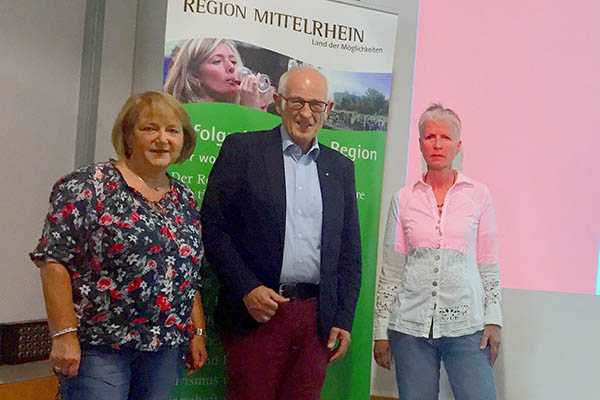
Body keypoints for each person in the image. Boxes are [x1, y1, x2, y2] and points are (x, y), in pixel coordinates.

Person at [30, 91, 207, 400]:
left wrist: (197, 332)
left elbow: (187, 273)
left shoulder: (184, 198)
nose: (162, 139)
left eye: (172, 130)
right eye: (150, 128)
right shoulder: (89, 185)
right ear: (127, 135)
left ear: (183, 140)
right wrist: (64, 335)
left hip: (164, 349)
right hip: (101, 348)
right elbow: (53, 261)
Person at [200, 65, 362, 400]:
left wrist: (343, 318)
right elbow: (213, 229)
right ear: (277, 101)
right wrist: (247, 288)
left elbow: (349, 251)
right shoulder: (243, 151)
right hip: (257, 312)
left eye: (316, 105)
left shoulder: (340, 168)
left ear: (328, 110)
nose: (306, 114)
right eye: (297, 102)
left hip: (315, 319)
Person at [373, 104, 502, 400]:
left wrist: (494, 318)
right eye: (430, 136)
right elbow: (392, 270)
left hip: (467, 325)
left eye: (445, 137)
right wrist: (381, 331)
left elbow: (488, 262)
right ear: (420, 144)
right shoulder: (403, 199)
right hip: (410, 328)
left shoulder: (478, 195)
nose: (437, 143)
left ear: (458, 145)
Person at [164, 38, 274, 111]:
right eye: (217, 61)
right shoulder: (177, 116)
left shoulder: (244, 110)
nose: (231, 67)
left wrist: (257, 111)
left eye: (234, 62)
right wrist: (251, 113)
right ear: (194, 73)